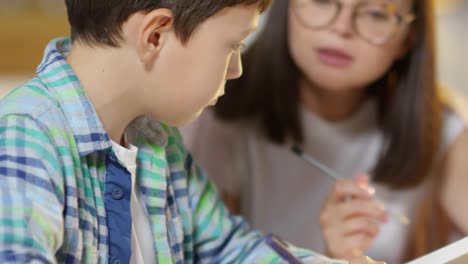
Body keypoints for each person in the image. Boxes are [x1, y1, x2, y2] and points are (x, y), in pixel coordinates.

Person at [0, 0, 385, 263]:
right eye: (232, 45)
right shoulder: (27, 136)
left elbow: (226, 249)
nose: (235, 69)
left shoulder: (158, 144)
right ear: (155, 36)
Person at [181, 0, 468, 263]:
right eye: (321, 0)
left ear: (409, 37)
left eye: (375, 13)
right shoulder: (214, 117)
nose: (341, 28)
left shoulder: (446, 128)